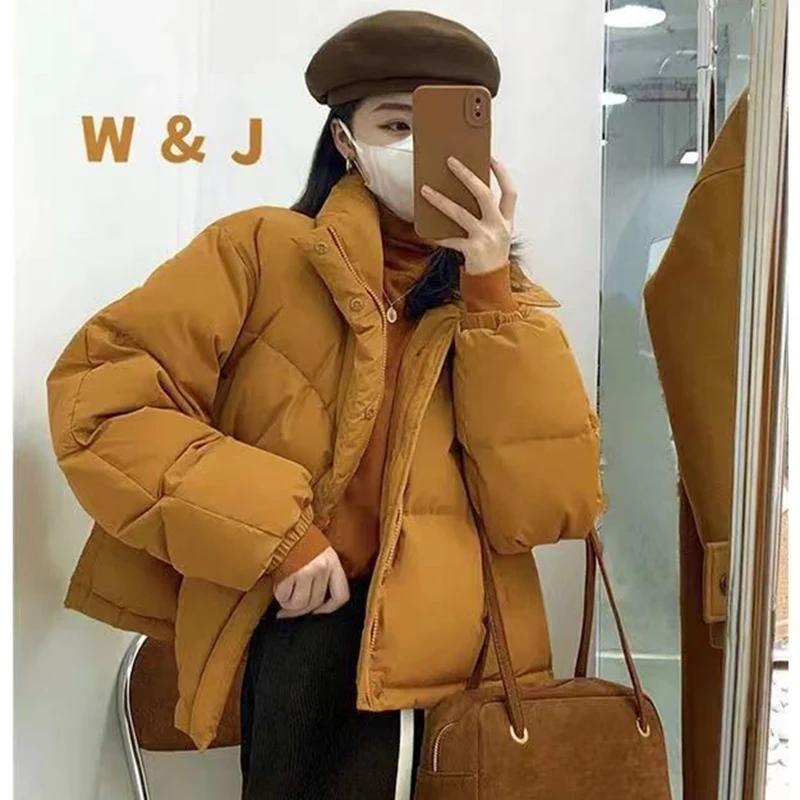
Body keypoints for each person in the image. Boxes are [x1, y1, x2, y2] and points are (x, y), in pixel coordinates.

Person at [46, 9, 605, 800]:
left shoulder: (506, 308)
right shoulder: (259, 253)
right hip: (309, 635)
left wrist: (488, 290)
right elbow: (101, 398)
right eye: (396, 125)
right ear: (345, 140)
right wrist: (278, 534)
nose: (418, 151)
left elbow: (546, 508)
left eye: (441, 130)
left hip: (470, 658)